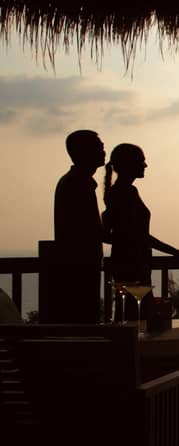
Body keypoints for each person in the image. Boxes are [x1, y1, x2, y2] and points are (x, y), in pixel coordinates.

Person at [102, 143, 179, 319]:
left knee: (131, 314)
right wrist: (176, 252)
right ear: (129, 164)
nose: (145, 165)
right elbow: (139, 236)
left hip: (128, 263)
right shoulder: (126, 193)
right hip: (133, 265)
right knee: (138, 316)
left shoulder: (119, 192)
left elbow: (113, 233)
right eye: (141, 161)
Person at [51, 129, 106, 323]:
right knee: (83, 321)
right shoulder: (78, 183)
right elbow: (92, 231)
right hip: (80, 268)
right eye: (99, 148)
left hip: (77, 266)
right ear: (84, 152)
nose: (104, 152)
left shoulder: (74, 181)